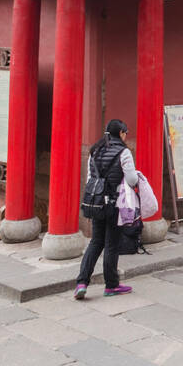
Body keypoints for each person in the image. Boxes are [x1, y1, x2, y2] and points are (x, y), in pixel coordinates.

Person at [74, 118, 140, 299]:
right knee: (111, 244)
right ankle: (111, 284)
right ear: (120, 133)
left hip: (96, 202)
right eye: (125, 132)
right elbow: (132, 180)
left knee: (96, 242)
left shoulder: (94, 150)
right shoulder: (124, 152)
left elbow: (90, 178)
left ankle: (81, 282)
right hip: (114, 202)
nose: (126, 136)